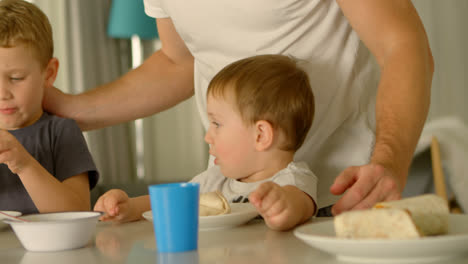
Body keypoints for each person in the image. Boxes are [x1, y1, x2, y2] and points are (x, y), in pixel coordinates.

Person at [43, 0, 434, 216]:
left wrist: (390, 160)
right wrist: (66, 112)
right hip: (230, 202)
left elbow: (402, 45)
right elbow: (179, 62)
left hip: (342, 198)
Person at [94, 54, 317, 231]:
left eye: (217, 124)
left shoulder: (293, 181)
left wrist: (282, 207)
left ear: (261, 135)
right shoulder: (215, 180)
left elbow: (298, 206)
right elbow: (174, 202)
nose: (207, 136)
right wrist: (129, 207)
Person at [0, 0, 99, 214]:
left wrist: (23, 164)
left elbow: (77, 211)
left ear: (49, 73)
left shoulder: (61, 133)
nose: (2, 93)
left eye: (16, 78)